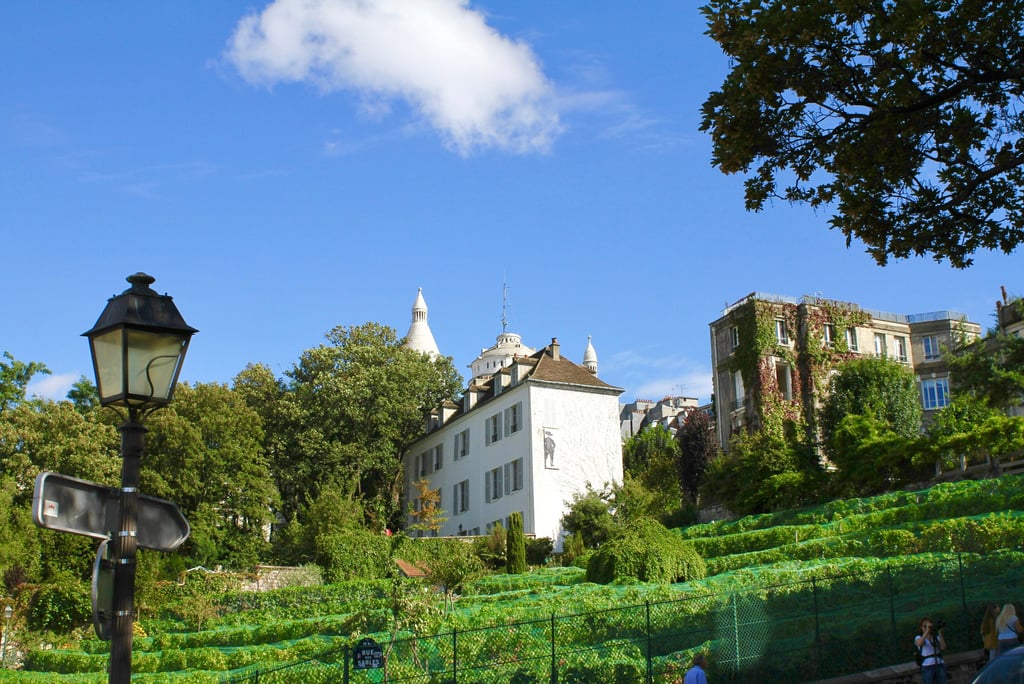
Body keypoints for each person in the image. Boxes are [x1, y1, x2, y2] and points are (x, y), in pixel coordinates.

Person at [915, 617, 947, 684]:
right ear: (921, 627)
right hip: (927, 666)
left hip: (939, 664)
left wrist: (939, 633)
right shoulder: (919, 637)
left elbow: (943, 647)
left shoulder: (935, 637)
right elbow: (919, 643)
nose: (927, 627)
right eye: (924, 626)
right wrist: (927, 632)